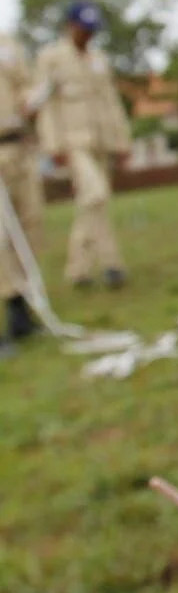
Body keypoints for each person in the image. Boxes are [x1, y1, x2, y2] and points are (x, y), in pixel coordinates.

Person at [36, 0, 131, 290]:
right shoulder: (51, 58)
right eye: (82, 29)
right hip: (73, 143)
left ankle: (84, 269)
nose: (87, 35)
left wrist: (122, 140)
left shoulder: (99, 60)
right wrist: (53, 146)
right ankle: (109, 263)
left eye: (91, 30)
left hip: (101, 142)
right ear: (70, 26)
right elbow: (46, 105)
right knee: (96, 194)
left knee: (92, 202)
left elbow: (111, 103)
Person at [0, 31, 45, 353]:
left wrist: (31, 98)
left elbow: (25, 83)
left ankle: (22, 308)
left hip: (18, 145)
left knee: (29, 224)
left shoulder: (8, 44)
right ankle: (13, 301)